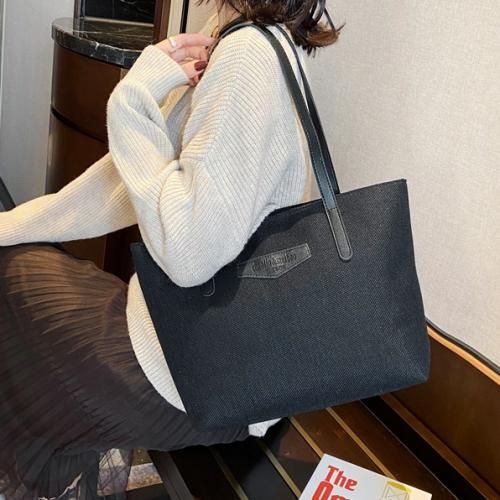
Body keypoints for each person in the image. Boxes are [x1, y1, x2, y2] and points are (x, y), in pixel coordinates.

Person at [0, 0, 342, 498]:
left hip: (203, 381)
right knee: (19, 271)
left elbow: (187, 254)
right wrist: (12, 226)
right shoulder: (246, 36)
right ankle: (51, 475)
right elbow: (125, 185)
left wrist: (132, 98)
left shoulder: (247, 55)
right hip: (203, 348)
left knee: (17, 291)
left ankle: (47, 475)